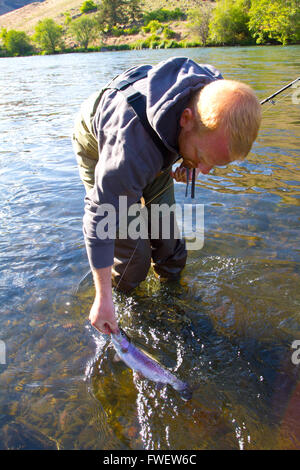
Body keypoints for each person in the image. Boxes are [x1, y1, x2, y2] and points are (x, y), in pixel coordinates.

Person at [72, 56, 261, 336]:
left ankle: (173, 301)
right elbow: (99, 221)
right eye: (203, 159)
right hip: (101, 143)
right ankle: (122, 308)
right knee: (134, 257)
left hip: (158, 137)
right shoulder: (129, 155)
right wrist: (103, 298)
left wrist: (190, 160)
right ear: (186, 119)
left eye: (214, 163)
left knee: (170, 245)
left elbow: (201, 139)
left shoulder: (213, 94)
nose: (205, 171)